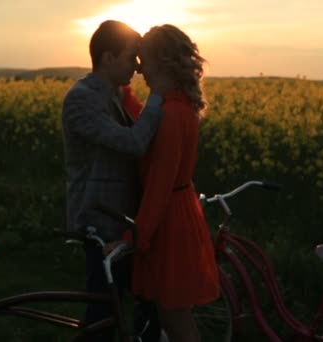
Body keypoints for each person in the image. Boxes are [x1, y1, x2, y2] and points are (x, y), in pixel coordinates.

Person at [104, 24, 220, 342]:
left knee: (175, 317)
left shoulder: (171, 114)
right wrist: (121, 89)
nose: (139, 71)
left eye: (144, 61)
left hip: (170, 221)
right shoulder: (178, 106)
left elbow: (159, 184)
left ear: (161, 62)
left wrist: (133, 238)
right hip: (176, 213)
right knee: (172, 315)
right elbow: (143, 121)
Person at [61, 20, 170, 342]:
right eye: (130, 57)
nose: (137, 68)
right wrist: (158, 97)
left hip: (120, 221)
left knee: (135, 308)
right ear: (108, 58)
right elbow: (133, 144)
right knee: (102, 318)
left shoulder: (114, 96)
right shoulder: (81, 99)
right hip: (98, 222)